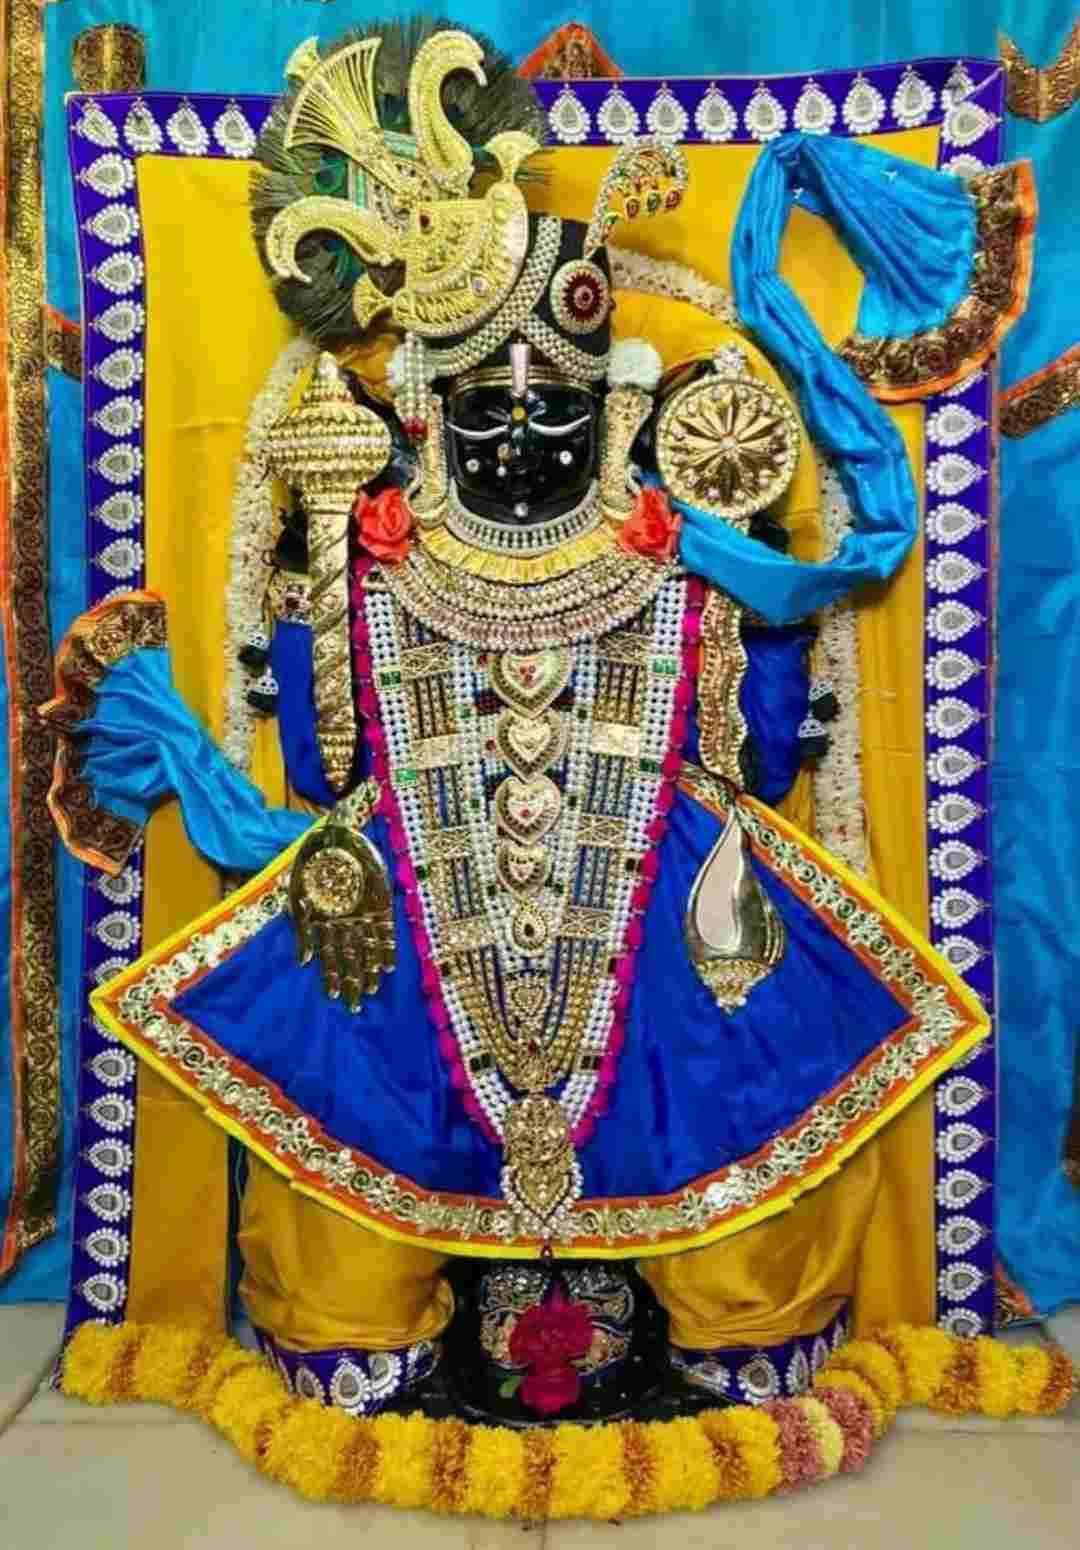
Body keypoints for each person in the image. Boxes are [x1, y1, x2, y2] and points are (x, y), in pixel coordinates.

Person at [44, 20, 1031, 1419]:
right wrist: (317, 573)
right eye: (486, 409)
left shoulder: (676, 552)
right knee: (343, 1330)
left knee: (751, 1311)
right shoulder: (373, 563)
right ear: (430, 410)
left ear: (612, 406)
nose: (517, 437)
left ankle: (703, 1303)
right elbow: (326, 764)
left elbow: (758, 756)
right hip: (419, 936)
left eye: (552, 407)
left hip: (663, 942)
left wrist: (745, 567)